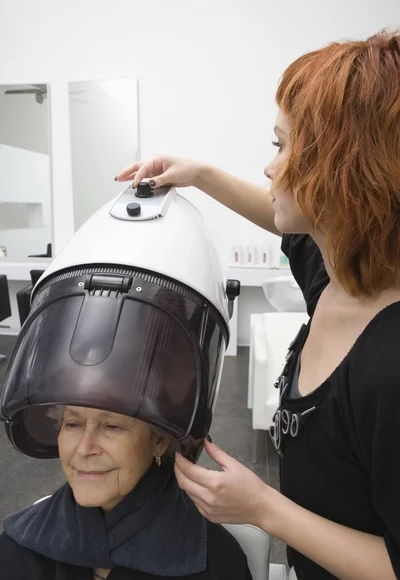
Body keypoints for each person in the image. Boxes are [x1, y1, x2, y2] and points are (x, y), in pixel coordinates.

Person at [116, 29, 400, 580]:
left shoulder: (388, 364)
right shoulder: (335, 275)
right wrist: (195, 174)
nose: (271, 169)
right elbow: (279, 215)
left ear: (347, 170)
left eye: (282, 146)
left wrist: (262, 509)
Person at [0, 405, 252, 579]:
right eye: (73, 423)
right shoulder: (16, 548)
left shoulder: (216, 562)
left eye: (111, 426)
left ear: (159, 440)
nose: (84, 448)